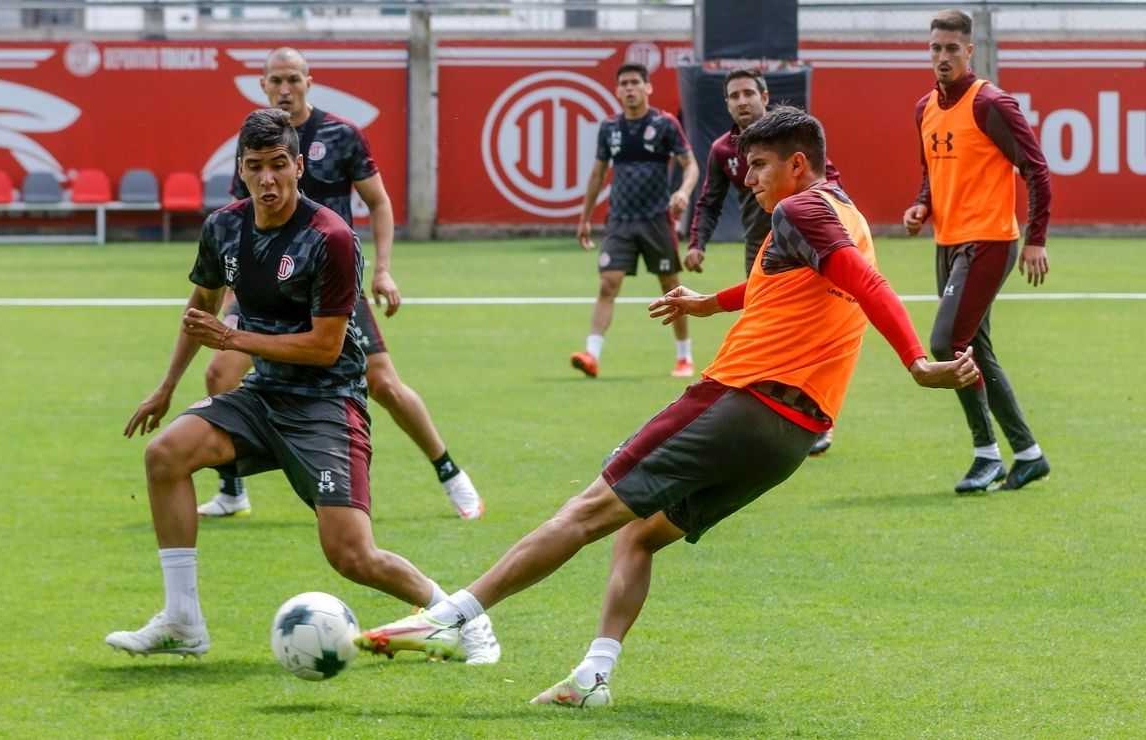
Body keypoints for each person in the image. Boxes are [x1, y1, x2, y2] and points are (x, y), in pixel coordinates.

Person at [351, 108, 979, 705]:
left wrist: (917, 363)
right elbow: (786, 283)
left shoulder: (798, 207)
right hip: (791, 438)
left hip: (740, 400)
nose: (748, 177)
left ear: (797, 164)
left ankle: (453, 617)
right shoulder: (845, 213)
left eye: (758, 165)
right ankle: (595, 674)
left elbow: (867, 284)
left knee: (586, 511)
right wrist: (710, 305)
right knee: (639, 534)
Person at [105, 108, 499, 665]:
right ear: (240, 171)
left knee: (351, 555)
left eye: (278, 165)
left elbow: (325, 347)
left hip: (327, 405)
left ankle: (462, 618)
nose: (268, 180)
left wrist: (234, 341)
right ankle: (182, 620)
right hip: (264, 398)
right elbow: (200, 308)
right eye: (255, 167)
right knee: (165, 454)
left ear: (298, 166)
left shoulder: (330, 238)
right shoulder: (224, 227)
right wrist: (166, 387)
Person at [198, 47, 483, 520]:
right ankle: (232, 492)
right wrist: (233, 295)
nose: (284, 88)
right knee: (219, 373)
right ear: (263, 86)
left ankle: (450, 472)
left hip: (329, 288)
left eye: (293, 79)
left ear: (310, 81)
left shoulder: (341, 135)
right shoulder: (253, 144)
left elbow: (380, 203)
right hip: (267, 287)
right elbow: (240, 227)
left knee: (384, 383)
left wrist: (385, 269)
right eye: (275, 81)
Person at [903, 10, 1052, 494]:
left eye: (952, 48)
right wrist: (922, 205)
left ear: (970, 51)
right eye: (935, 48)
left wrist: (1035, 239)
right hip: (947, 243)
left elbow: (1036, 169)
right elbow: (932, 172)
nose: (942, 56)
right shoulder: (924, 107)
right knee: (975, 350)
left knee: (947, 345)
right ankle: (1027, 454)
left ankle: (986, 453)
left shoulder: (991, 103)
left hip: (989, 240)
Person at [685, 69, 836, 457]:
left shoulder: (789, 142)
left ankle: (818, 418)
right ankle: (767, 416)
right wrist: (697, 242)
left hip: (807, 253)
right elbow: (710, 199)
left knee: (810, 336)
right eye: (733, 95)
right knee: (765, 338)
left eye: (749, 92)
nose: (742, 101)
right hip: (761, 257)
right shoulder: (722, 150)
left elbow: (829, 181)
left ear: (765, 95)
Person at [571, 62, 700, 379]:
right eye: (623, 84)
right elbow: (598, 173)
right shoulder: (609, 129)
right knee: (607, 284)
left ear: (647, 88)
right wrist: (585, 218)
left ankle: (684, 356)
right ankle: (592, 354)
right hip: (620, 221)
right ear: (616, 91)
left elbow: (691, 165)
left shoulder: (665, 124)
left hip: (657, 219)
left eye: (635, 83)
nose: (629, 89)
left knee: (670, 286)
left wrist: (683, 192)